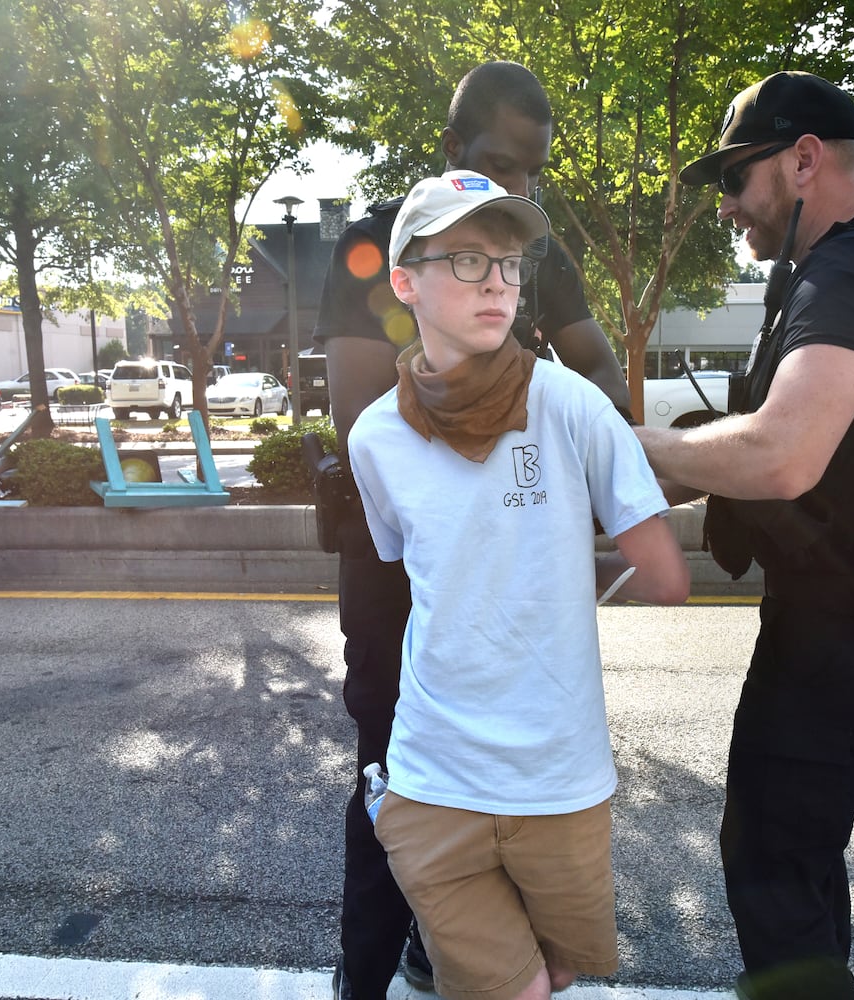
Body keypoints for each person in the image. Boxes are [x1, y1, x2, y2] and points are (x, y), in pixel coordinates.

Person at [634, 72, 854, 1000]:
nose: (729, 209)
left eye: (737, 181)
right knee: (800, 853)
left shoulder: (851, 270)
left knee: (772, 862)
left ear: (801, 159)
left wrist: (621, 448)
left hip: (847, 626)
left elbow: (783, 454)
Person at [312, 61, 632, 1000]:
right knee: (391, 776)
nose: (520, 189)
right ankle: (362, 975)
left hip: (513, 569)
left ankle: (453, 948)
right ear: (452, 149)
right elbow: (359, 405)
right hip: (399, 571)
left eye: (533, 171)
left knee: (515, 784)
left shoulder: (534, 252)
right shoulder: (376, 242)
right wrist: (506, 399)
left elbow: (600, 380)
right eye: (500, 162)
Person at [347, 170, 689, 1000]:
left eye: (508, 263)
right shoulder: (374, 438)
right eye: (466, 260)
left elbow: (666, 570)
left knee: (558, 969)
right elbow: (416, 568)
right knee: (517, 990)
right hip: (432, 777)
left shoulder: (570, 405)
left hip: (558, 778)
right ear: (404, 282)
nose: (497, 282)